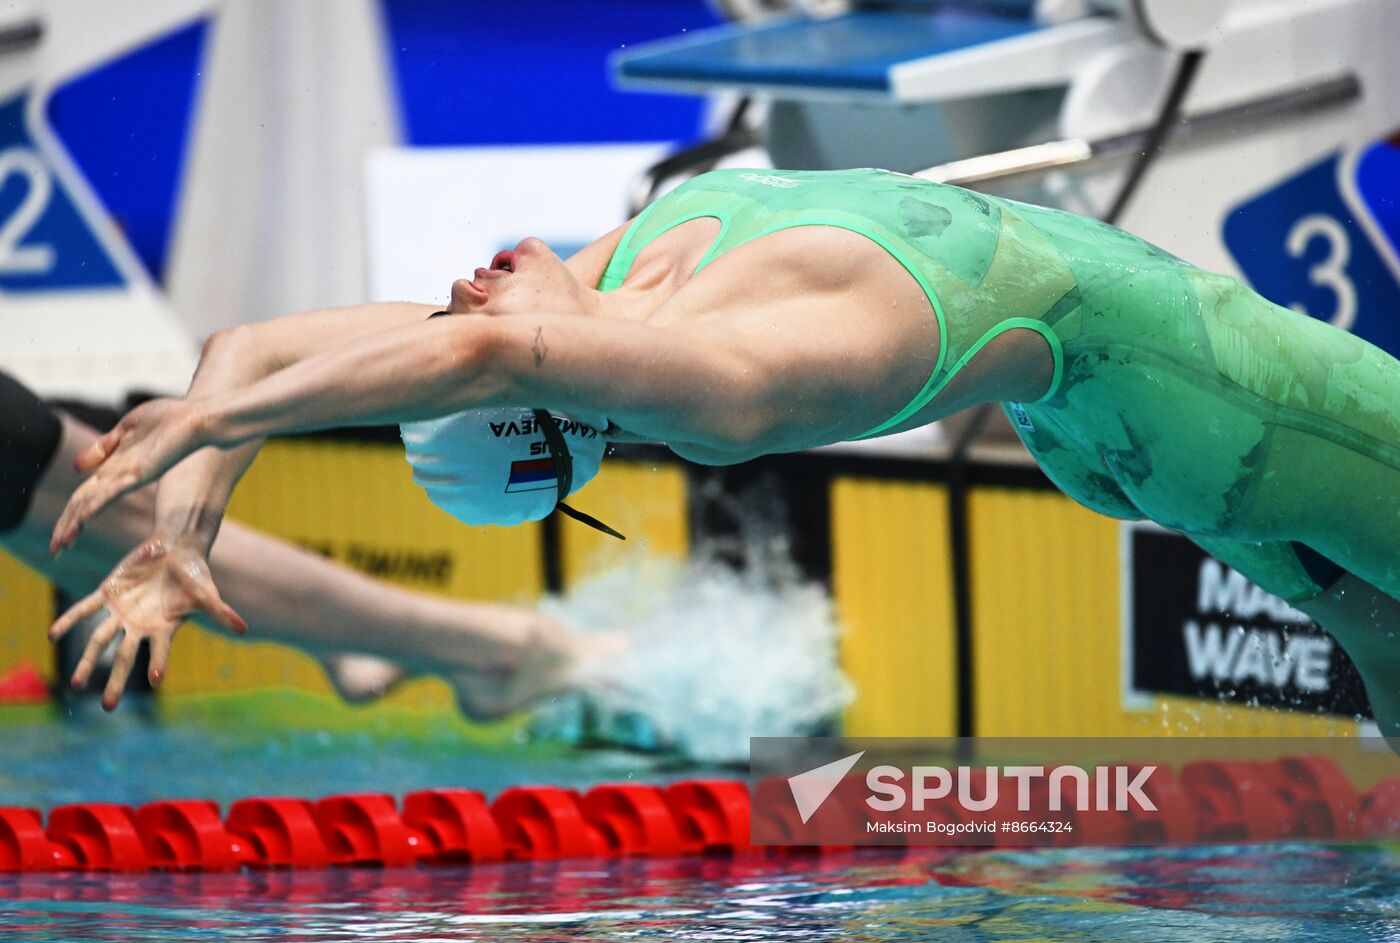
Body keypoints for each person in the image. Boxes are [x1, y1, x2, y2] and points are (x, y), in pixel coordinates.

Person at [43, 167, 1400, 737]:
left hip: (1117, 419)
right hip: (1214, 407)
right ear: (550, 395)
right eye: (480, 330)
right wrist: (215, 429)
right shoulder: (718, 382)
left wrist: (183, 529)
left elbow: (247, 345)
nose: (463, 293)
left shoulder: (601, 286)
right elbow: (474, 356)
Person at [0, 370, 608, 716]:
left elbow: (253, 357)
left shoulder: (485, 342)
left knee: (80, 504)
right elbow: (247, 354)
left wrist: (180, 535)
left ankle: (480, 644)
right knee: (80, 515)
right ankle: (462, 644)